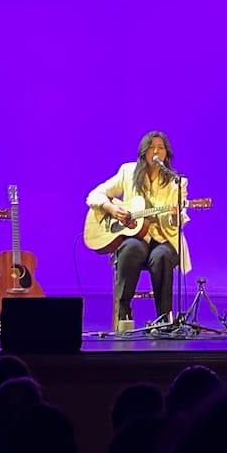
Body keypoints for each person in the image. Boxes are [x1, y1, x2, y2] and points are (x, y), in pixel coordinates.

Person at [86, 129, 192, 325]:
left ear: (166, 153)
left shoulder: (177, 183)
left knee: (161, 256)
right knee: (131, 248)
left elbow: (178, 222)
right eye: (151, 147)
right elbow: (94, 195)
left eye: (161, 148)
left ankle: (163, 319)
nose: (156, 151)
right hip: (135, 237)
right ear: (143, 151)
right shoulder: (128, 172)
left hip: (164, 239)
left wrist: (175, 216)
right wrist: (111, 208)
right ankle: (124, 312)